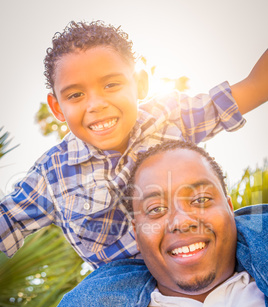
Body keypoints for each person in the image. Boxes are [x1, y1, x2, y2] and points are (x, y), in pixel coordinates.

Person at [2, 140, 267, 307]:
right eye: (156, 209)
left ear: (230, 209)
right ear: (135, 232)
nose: (182, 221)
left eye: (200, 199)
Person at [0, 20, 268, 268]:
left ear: (140, 83)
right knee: (81, 303)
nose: (96, 104)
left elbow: (255, 86)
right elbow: (6, 220)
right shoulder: (52, 172)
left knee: (261, 228)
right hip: (128, 277)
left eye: (111, 85)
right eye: (76, 94)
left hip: (198, 244)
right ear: (57, 108)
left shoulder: (169, 115)